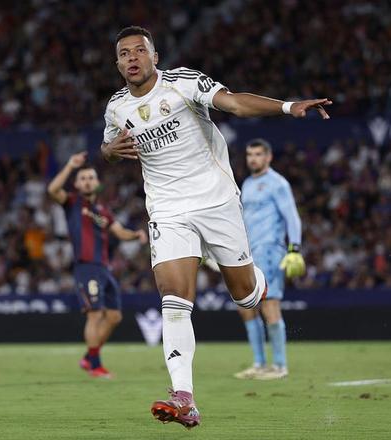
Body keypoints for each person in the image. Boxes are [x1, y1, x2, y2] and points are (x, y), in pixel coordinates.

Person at [101, 26, 331, 429]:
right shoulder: (116, 107)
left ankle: (256, 279)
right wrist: (109, 152)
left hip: (217, 202)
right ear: (118, 64)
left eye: (140, 50)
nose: (132, 58)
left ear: (155, 56)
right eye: (124, 53)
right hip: (168, 211)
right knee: (174, 298)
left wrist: (287, 106)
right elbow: (109, 147)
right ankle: (184, 398)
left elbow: (236, 104)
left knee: (245, 296)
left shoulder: (183, 82)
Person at [48, 151, 147, 378]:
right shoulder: (72, 202)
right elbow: (53, 190)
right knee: (95, 315)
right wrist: (70, 165)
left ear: (97, 183)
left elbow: (119, 232)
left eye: (90, 178)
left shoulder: (103, 211)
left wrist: (136, 235)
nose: (87, 181)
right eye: (82, 178)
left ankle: (89, 357)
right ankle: (95, 365)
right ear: (76, 184)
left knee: (114, 317)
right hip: (86, 267)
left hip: (104, 268)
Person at [233, 139, 305, 381]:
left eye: (258, 154)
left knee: (269, 305)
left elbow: (292, 217)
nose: (253, 158)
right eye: (249, 154)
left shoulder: (278, 183)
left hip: (270, 250)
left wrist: (294, 248)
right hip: (249, 254)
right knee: (246, 307)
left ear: (268, 157)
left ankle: (280, 366)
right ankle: (259, 363)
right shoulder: (247, 184)